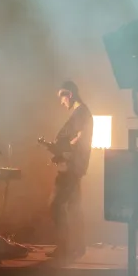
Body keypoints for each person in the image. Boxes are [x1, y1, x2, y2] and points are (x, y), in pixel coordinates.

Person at [47, 80, 93, 259]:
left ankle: (64, 247)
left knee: (55, 204)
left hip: (72, 167)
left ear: (70, 95)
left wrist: (63, 151)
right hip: (75, 165)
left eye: (62, 97)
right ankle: (79, 246)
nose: (61, 102)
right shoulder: (81, 112)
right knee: (74, 206)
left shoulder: (81, 112)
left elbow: (80, 139)